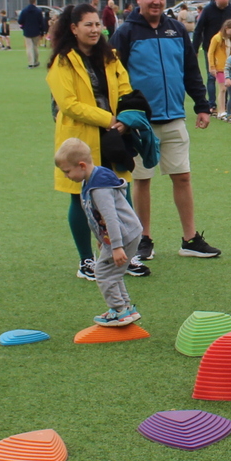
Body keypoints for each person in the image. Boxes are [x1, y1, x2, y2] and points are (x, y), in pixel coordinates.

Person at [114, 0, 220, 259]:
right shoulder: (125, 33)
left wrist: (202, 105)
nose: (156, 1)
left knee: (182, 177)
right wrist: (119, 115)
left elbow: (190, 71)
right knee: (142, 180)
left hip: (174, 117)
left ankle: (190, 239)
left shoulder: (177, 29)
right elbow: (114, 76)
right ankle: (143, 238)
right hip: (139, 123)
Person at [47, 3, 140, 281]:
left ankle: (127, 253)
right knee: (80, 197)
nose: (95, 29)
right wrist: (108, 118)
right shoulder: (62, 61)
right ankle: (86, 260)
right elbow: (69, 104)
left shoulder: (110, 56)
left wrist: (125, 118)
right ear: (73, 28)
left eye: (98, 24)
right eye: (88, 24)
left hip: (113, 135)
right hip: (80, 138)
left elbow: (126, 90)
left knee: (121, 191)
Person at [55, 137, 143, 328]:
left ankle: (118, 311)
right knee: (114, 273)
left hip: (123, 235)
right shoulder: (92, 179)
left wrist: (117, 246)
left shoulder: (99, 188)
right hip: (124, 233)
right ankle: (126, 308)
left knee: (103, 273)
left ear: (81, 165)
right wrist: (103, 239)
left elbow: (111, 217)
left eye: (67, 171)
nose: (66, 176)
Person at [193, 0, 231, 108]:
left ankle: (224, 104)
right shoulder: (207, 10)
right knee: (212, 76)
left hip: (226, 49)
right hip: (210, 47)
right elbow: (198, 29)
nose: (223, 8)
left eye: (225, 6)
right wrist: (195, 49)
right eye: (221, 6)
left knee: (226, 75)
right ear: (216, 0)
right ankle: (212, 105)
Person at [18, 0, 49, 68]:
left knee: (29, 47)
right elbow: (41, 22)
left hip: (27, 31)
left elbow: (20, 21)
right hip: (36, 31)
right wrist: (42, 32)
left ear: (28, 1)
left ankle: (30, 63)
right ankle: (36, 61)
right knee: (35, 47)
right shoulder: (38, 11)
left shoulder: (24, 11)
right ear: (35, 1)